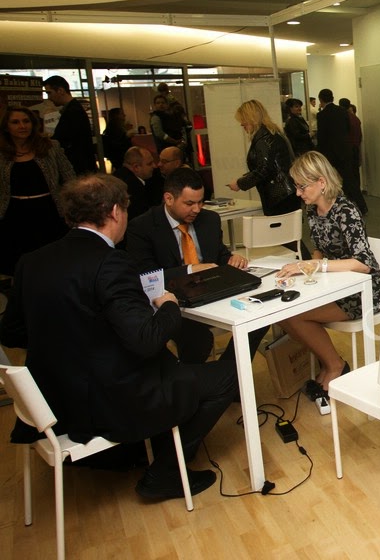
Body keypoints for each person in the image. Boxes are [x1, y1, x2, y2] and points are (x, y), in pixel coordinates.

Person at [0, 174, 236, 500]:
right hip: (110, 399)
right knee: (228, 376)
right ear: (115, 212)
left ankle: (147, 450)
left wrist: (75, 342)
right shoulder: (111, 263)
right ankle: (166, 472)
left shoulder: (31, 261)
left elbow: (11, 332)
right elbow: (147, 340)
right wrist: (168, 305)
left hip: (54, 398)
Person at [127, 167, 267, 364]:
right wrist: (190, 270)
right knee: (199, 339)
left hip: (213, 292)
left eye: (200, 202)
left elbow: (220, 255)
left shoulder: (209, 219)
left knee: (260, 317)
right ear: (168, 199)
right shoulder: (142, 227)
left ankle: (230, 374)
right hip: (173, 301)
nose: (197, 209)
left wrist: (232, 258)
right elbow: (148, 277)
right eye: (189, 203)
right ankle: (202, 378)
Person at [275, 151, 380, 392]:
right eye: (296, 186)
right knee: (282, 314)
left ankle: (335, 365)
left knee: (295, 316)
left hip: (364, 289)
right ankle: (329, 362)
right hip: (336, 284)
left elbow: (363, 263)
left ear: (321, 182)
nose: (298, 193)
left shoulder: (346, 211)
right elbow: (319, 249)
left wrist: (316, 266)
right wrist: (309, 271)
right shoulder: (313, 210)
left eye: (302, 187)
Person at [0, 106, 75, 275]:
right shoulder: (2, 153)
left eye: (26, 121)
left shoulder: (50, 147)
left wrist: (71, 205)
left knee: (53, 261)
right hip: (14, 214)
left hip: (49, 211)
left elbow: (69, 176)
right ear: (6, 127)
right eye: (15, 122)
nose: (22, 126)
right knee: (20, 264)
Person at [226, 99, 306, 256]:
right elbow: (269, 167)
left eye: (243, 120)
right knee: (289, 238)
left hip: (279, 196)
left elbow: (264, 169)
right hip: (286, 193)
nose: (242, 124)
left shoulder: (264, 139)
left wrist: (240, 183)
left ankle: (305, 264)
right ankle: (302, 263)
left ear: (251, 118)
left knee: (287, 239)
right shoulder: (272, 134)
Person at [316, 88, 367, 214]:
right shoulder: (342, 112)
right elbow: (348, 129)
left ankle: (333, 208)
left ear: (321, 100)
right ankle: (362, 206)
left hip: (330, 153)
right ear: (333, 98)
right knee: (350, 180)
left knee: (329, 181)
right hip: (345, 150)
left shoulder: (321, 115)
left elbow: (322, 136)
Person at [43, 75, 97, 174]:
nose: (49, 98)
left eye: (49, 93)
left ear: (60, 90)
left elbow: (63, 139)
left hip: (79, 166)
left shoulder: (72, 111)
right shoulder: (73, 109)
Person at [113, 145, 158, 219]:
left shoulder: (116, 175)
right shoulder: (134, 188)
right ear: (136, 167)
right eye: (149, 163)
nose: (154, 166)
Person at [340, 97, 363, 193]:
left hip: (348, 148)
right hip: (355, 147)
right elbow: (360, 135)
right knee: (355, 172)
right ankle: (357, 191)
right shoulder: (356, 119)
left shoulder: (343, 118)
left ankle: (351, 193)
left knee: (348, 173)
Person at [101, 107, 132, 171]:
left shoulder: (113, 129)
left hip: (116, 157)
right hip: (120, 157)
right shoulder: (115, 130)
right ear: (116, 116)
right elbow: (119, 145)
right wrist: (127, 137)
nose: (124, 115)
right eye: (122, 113)